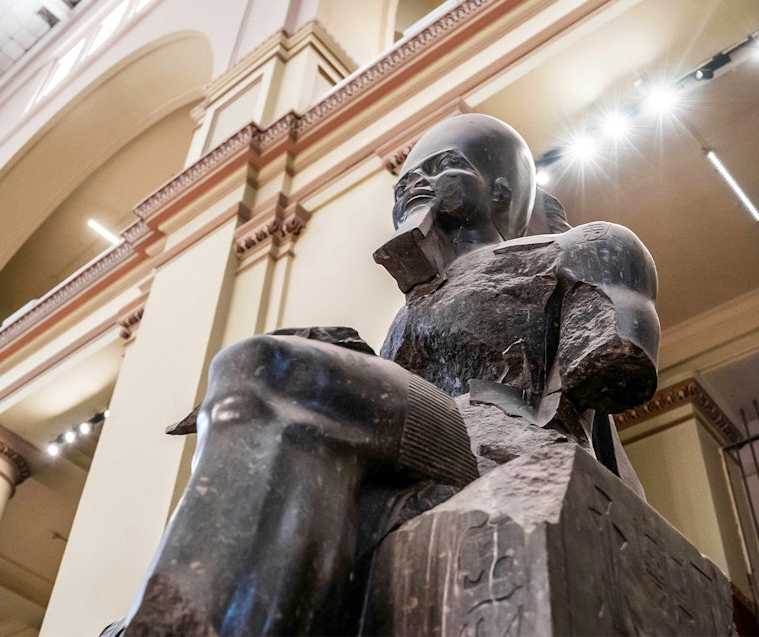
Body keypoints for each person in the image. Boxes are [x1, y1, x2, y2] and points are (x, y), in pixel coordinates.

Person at [122, 114, 659, 636]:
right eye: (405, 181)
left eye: (443, 167)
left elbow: (615, 366)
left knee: (265, 367)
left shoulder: (582, 247)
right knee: (263, 387)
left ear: (499, 193)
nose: (416, 185)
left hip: (503, 439)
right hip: (430, 439)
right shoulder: (410, 310)